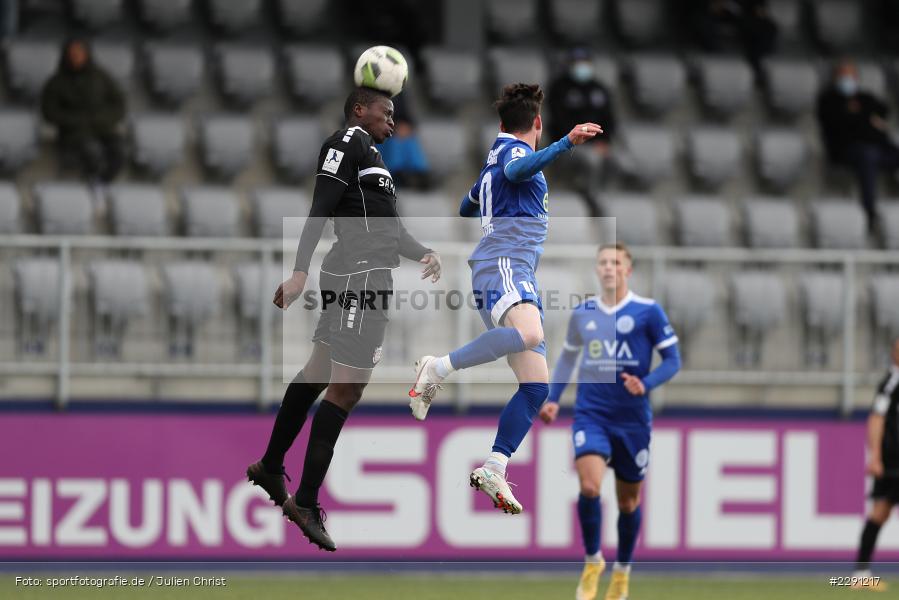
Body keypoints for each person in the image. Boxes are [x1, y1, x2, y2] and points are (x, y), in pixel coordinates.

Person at [246, 86, 442, 552]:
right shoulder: (346, 142)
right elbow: (319, 208)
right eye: (385, 111)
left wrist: (423, 252)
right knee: (347, 386)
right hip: (358, 277)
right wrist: (298, 274)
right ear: (360, 110)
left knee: (318, 372)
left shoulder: (375, 159)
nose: (392, 119)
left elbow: (388, 230)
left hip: (368, 273)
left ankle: (272, 464)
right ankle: (306, 501)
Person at [408, 83, 602, 514]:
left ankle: (495, 465)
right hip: (505, 266)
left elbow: (465, 206)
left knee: (536, 388)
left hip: (509, 271)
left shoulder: (493, 160)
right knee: (530, 334)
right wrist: (566, 142)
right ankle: (436, 367)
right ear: (537, 123)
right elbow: (516, 172)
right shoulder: (513, 155)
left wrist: (485, 191)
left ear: (500, 123)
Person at [540, 243, 681, 600]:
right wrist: (553, 399)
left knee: (628, 503)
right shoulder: (583, 313)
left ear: (627, 270)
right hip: (592, 414)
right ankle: (592, 561)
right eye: (603, 262)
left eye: (615, 262)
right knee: (589, 487)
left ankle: (622, 572)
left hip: (632, 421)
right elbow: (567, 359)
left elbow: (672, 361)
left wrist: (645, 383)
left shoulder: (648, 312)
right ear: (597, 269)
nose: (608, 268)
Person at [817, 59, 899, 234]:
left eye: (850, 75)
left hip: (877, 148)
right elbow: (841, 125)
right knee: (868, 155)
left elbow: (883, 110)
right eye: (843, 75)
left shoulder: (864, 97)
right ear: (835, 77)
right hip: (847, 151)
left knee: (881, 152)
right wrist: (866, 119)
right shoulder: (829, 100)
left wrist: (862, 118)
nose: (847, 79)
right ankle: (869, 211)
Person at [41, 37, 126, 186]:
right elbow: (49, 112)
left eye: (80, 53)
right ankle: (91, 183)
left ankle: (102, 185)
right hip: (73, 133)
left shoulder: (101, 77)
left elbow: (119, 103)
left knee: (119, 151)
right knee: (92, 151)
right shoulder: (57, 81)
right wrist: (75, 121)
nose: (76, 58)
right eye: (72, 54)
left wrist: (104, 119)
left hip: (102, 128)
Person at [851, 337, 899, 592]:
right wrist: (876, 457)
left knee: (881, 512)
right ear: (894, 354)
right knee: (880, 512)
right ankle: (860, 574)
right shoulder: (891, 383)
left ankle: (860, 572)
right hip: (893, 462)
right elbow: (876, 419)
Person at [547, 48, 617, 217]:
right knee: (592, 159)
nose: (582, 67)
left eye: (585, 63)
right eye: (577, 63)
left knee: (622, 161)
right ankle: (591, 198)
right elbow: (558, 121)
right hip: (567, 144)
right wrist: (578, 141)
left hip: (598, 144)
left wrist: (604, 141)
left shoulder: (599, 89)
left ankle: (607, 195)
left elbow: (609, 120)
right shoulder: (559, 89)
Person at [377, 92, 431, 190]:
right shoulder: (364, 94)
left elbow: (405, 114)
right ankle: (397, 174)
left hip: (393, 128)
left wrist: (405, 125)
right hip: (374, 134)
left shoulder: (397, 91)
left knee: (408, 138)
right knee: (394, 141)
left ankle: (417, 174)